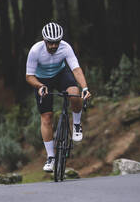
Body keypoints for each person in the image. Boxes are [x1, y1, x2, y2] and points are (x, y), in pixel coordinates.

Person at [26, 22, 91, 172]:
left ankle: (76, 124)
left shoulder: (66, 48)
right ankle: (51, 157)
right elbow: (29, 76)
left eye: (57, 42)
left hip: (61, 75)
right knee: (46, 117)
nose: (54, 46)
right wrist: (40, 86)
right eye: (50, 42)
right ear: (44, 39)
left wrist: (85, 88)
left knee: (75, 93)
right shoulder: (35, 51)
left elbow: (76, 69)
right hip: (41, 81)